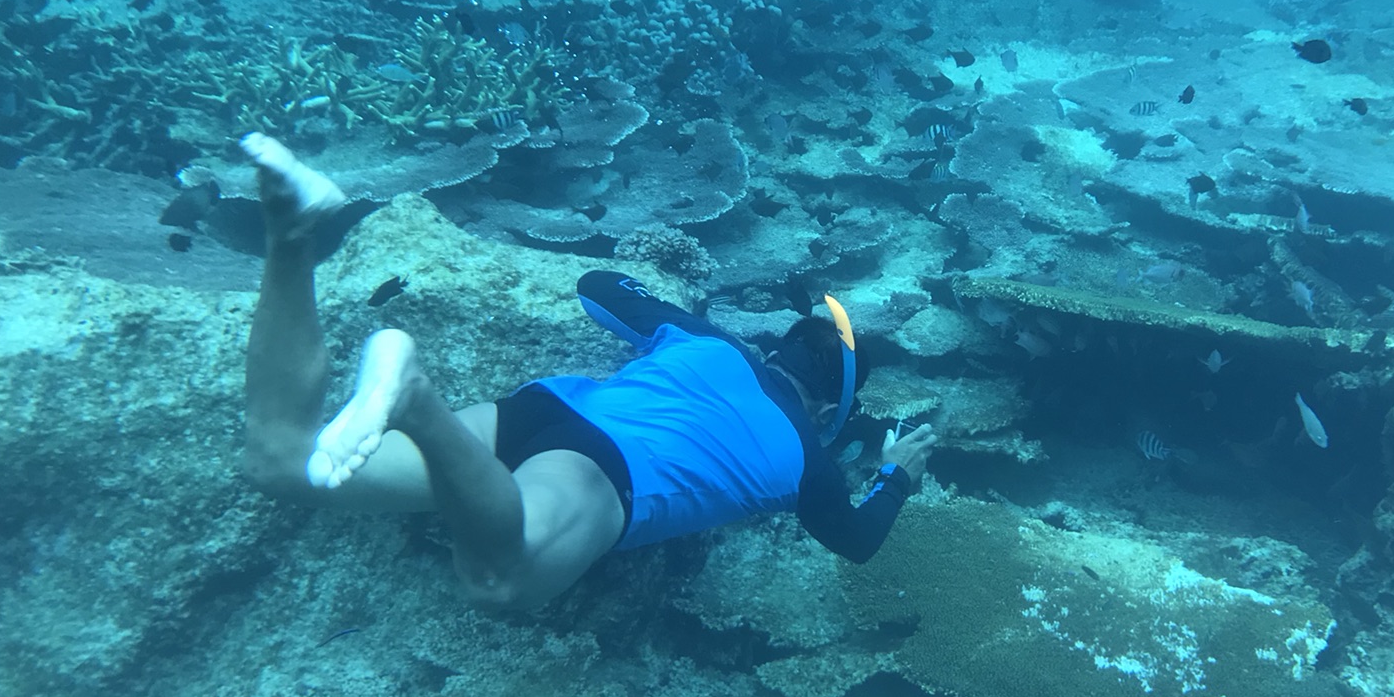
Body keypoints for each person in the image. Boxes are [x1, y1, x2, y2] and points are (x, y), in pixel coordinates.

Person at [239, 133, 936, 611]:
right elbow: (856, 540)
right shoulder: (807, 461)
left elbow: (598, 285)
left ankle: (290, 234)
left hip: (543, 412)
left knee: (284, 458)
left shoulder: (709, 342)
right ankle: (413, 397)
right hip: (597, 472)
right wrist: (896, 472)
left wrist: (671, 309)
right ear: (825, 409)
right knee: (499, 584)